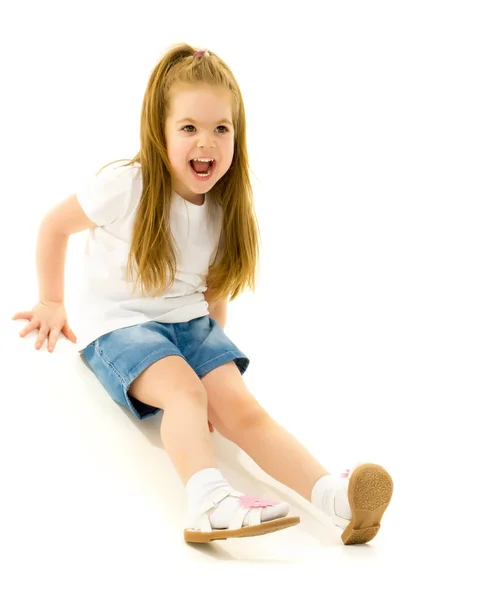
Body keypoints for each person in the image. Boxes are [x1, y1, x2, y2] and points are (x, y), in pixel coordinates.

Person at [13, 43, 393, 545]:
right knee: (185, 394)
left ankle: (334, 498)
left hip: (191, 325)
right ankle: (208, 502)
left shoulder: (223, 209)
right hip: (121, 326)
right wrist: (50, 301)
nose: (206, 143)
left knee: (244, 410)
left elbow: (213, 293)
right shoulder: (127, 185)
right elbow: (54, 226)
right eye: (189, 127)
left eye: (221, 128)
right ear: (161, 131)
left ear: (238, 135)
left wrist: (215, 362)